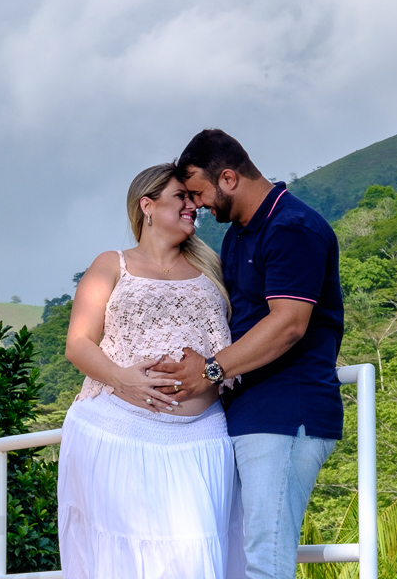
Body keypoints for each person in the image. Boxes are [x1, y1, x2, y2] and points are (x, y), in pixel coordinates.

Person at [157, 129, 345, 579]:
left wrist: (210, 370)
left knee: (266, 560)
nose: (198, 205)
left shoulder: (292, 227)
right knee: (239, 560)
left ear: (228, 177)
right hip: (246, 415)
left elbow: (288, 324)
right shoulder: (239, 236)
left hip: (286, 413)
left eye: (200, 192)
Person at [57, 162, 244, 579]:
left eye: (194, 199)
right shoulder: (112, 264)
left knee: (197, 559)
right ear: (147, 204)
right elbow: (78, 343)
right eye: (182, 197)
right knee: (119, 560)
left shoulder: (213, 269)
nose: (192, 206)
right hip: (117, 433)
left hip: (201, 441)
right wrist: (123, 378)